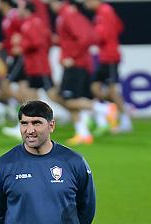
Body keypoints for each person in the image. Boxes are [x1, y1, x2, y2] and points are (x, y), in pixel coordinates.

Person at [48, 0, 97, 145]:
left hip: (75, 64)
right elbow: (88, 35)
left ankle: (104, 109)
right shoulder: (70, 14)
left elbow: (85, 38)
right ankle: (83, 133)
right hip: (78, 63)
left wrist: (72, 56)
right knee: (65, 98)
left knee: (67, 100)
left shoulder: (67, 15)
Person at [84, 0, 132, 135]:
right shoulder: (102, 12)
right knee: (94, 88)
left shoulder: (105, 11)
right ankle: (108, 113)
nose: (86, 4)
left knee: (112, 91)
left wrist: (91, 36)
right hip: (104, 56)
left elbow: (103, 35)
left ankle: (125, 120)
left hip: (110, 57)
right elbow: (119, 26)